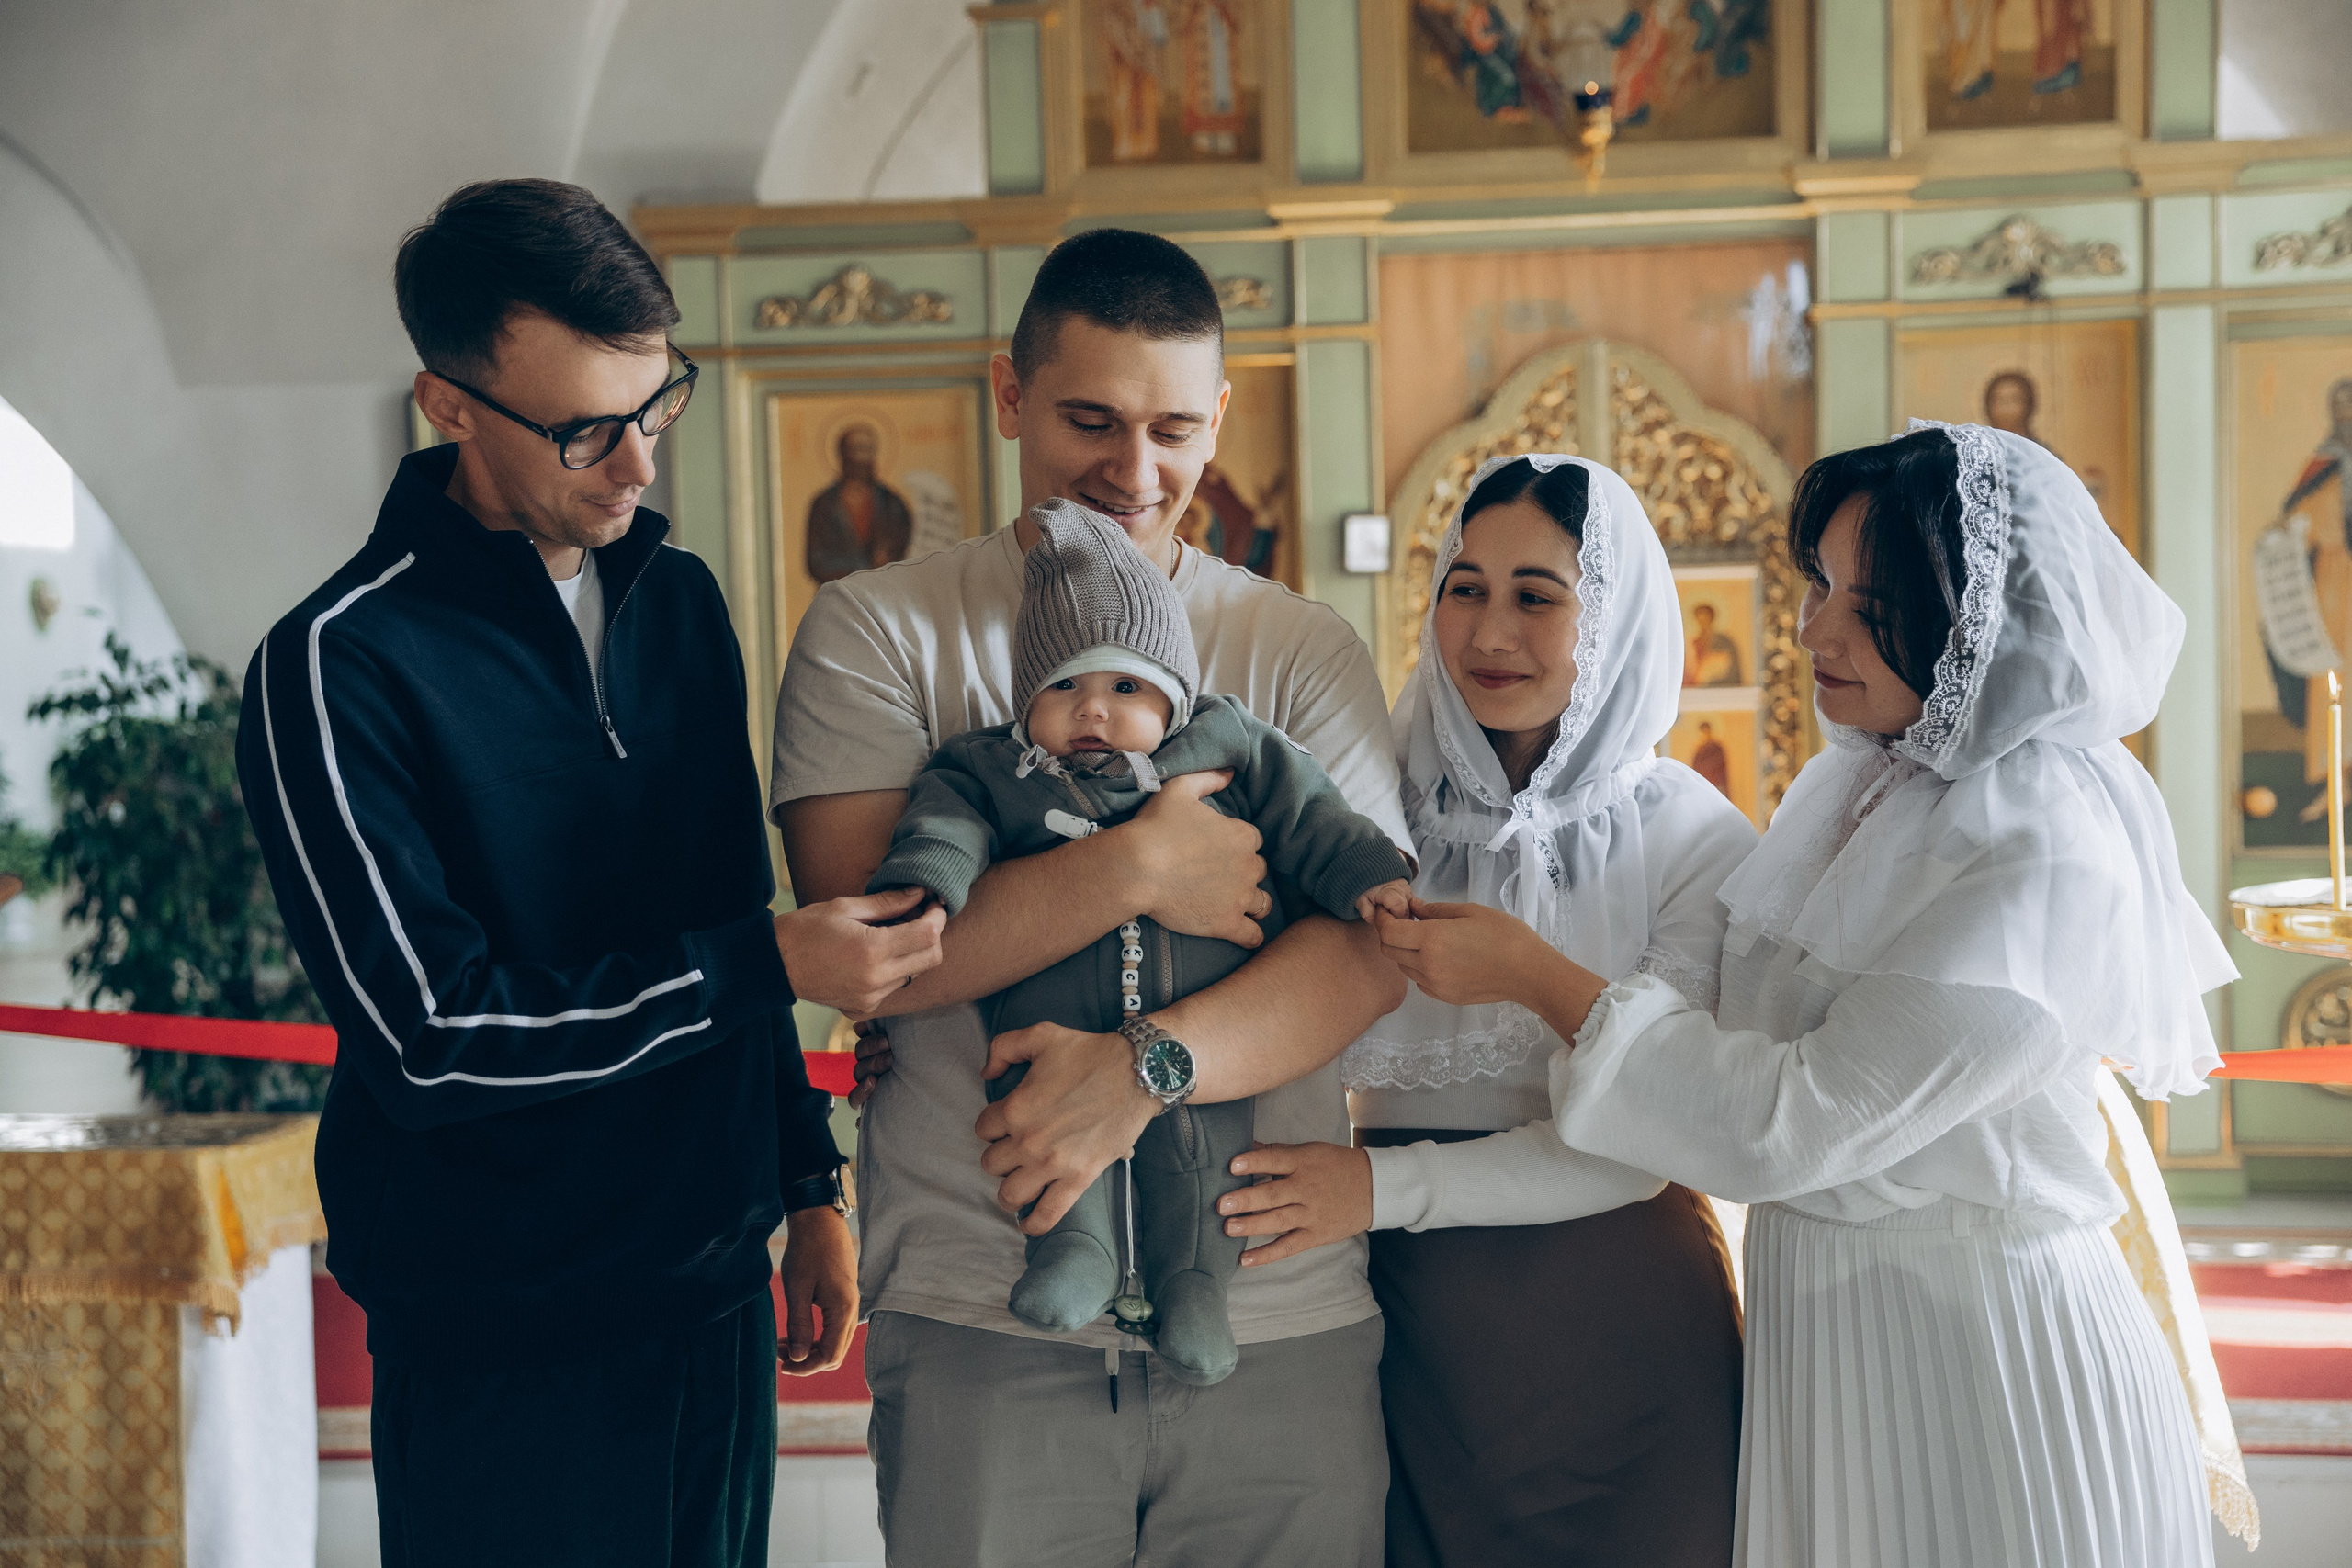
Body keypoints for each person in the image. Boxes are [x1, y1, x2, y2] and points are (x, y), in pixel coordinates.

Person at [238, 179, 944, 1568]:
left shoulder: (676, 601)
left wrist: (809, 1184)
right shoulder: (335, 665)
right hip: (501, 1332)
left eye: (655, 405)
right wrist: (764, 963)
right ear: (447, 405)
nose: (636, 468)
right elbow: (433, 1037)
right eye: (583, 431)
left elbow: (727, 898)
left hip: (713, 1294)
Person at [1374, 423, 2231, 1565]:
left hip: (1981, 1350)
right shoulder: (1857, 791)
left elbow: (1789, 1123)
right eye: (1818, 585)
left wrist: (1536, 977)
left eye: (1866, 605)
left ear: (1969, 616)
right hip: (1828, 1344)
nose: (1811, 629)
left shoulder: (2046, 852)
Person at [774, 227, 1410, 1565]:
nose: (1135, 471)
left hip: (1272, 1309)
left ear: (1218, 417)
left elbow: (1367, 956)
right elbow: (872, 950)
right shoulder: (880, 627)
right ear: (1009, 395)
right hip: (982, 1310)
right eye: (1090, 421)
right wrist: (1137, 864)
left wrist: (1142, 1070)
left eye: (1174, 429)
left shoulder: (1298, 648)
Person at [1215, 455, 1756, 1566]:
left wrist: (1378, 1186)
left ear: (1611, 619)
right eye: (1465, 588)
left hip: (1630, 1335)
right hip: (1410, 1336)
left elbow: (1651, 1139)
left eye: (1536, 597)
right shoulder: (1365, 809)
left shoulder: (1691, 837)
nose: (1490, 632)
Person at [868, 498, 1410, 1386]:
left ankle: (1195, 1286)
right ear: (1026, 699)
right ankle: (1072, 1255)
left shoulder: (1230, 744)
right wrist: (927, 884)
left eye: (1126, 687)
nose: (1093, 709)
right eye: (1064, 688)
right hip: (1044, 1028)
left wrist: (1367, 873)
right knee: (1047, 1141)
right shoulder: (988, 767)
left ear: (1175, 692)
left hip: (1210, 1032)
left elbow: (1312, 814)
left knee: (1202, 1158)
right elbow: (945, 827)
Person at [805, 423, 913, 583]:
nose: (861, 457)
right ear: (843, 454)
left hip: (881, 590)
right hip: (839, 592)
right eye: (855, 449)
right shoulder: (825, 504)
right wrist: (863, 567)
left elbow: (901, 551)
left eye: (867, 449)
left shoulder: (892, 504)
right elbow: (816, 560)